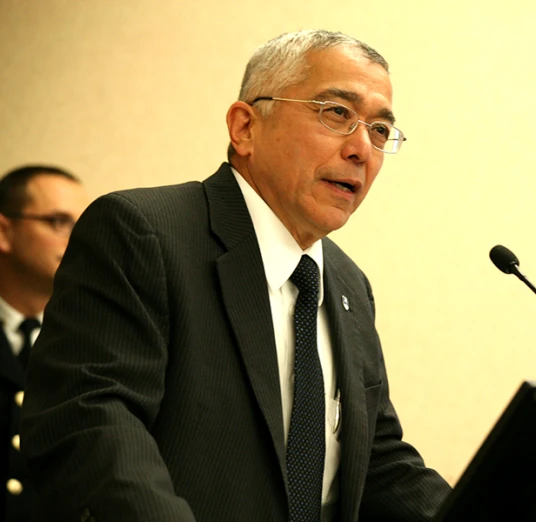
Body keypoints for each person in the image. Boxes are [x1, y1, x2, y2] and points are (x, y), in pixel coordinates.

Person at [20, 30, 452, 522]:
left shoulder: (349, 286)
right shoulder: (146, 233)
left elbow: (379, 463)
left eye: (379, 130)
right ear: (245, 127)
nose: (362, 149)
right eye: (337, 113)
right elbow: (90, 420)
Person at [0, 165, 89, 522]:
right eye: (58, 222)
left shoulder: (89, 341)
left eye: (83, 225)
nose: (78, 238)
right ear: (4, 231)